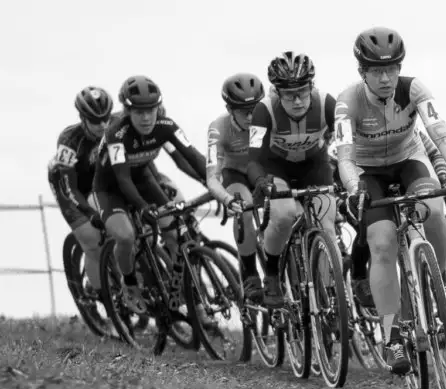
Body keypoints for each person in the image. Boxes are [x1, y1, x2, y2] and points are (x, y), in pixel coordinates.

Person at [334, 27, 446, 375]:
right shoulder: (348, 101)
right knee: (382, 243)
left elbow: (438, 130)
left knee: (432, 209)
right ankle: (392, 333)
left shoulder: (413, 89)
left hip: (408, 161)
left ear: (400, 68)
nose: (385, 78)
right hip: (368, 172)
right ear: (362, 73)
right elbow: (344, 155)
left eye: (391, 69)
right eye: (376, 71)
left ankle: (439, 281)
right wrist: (355, 189)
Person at [92, 75, 208, 313]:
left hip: (142, 179)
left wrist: (215, 184)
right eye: (139, 112)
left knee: (175, 231)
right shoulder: (117, 134)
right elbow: (122, 179)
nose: (146, 117)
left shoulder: (166, 126)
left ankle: (186, 297)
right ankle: (130, 283)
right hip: (110, 188)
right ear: (127, 111)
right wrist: (143, 207)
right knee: (125, 236)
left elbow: (192, 157)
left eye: (151, 110)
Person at [247, 52, 338, 309]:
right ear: (277, 92)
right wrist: (260, 180)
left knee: (328, 226)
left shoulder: (326, 103)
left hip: (315, 166)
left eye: (302, 91)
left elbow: (346, 145)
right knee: (284, 215)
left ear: (312, 85)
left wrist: (346, 171)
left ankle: (332, 297)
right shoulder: (263, 110)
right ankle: (273, 274)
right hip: (276, 169)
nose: (297, 100)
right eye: (289, 95)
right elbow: (252, 159)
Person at [328, 127, 446, 309]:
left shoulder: (406, 126)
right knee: (371, 235)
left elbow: (434, 153)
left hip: (404, 180)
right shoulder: (346, 135)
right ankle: (359, 275)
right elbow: (331, 174)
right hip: (365, 188)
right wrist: (341, 200)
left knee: (427, 214)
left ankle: (438, 281)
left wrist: (443, 177)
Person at [48, 86, 114, 299]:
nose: (103, 125)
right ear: (83, 118)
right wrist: (89, 212)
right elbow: (70, 189)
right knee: (93, 241)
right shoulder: (69, 140)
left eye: (106, 118)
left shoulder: (116, 125)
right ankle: (101, 296)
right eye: (96, 121)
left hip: (98, 182)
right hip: (69, 186)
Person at [205, 73, 266, 301]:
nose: (251, 117)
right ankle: (250, 274)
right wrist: (227, 199)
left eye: (255, 109)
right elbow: (212, 177)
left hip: (263, 170)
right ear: (230, 109)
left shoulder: (270, 117)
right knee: (245, 209)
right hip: (235, 175)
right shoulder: (218, 128)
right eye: (244, 111)